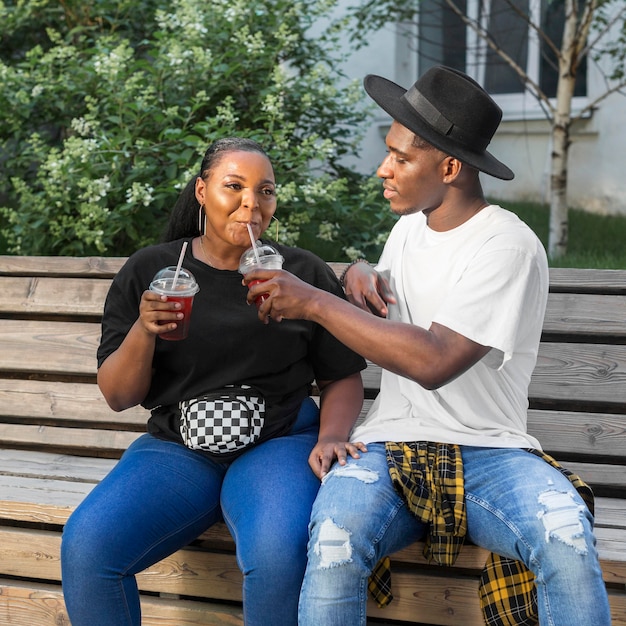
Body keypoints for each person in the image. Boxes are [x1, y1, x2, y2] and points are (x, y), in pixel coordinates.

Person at [242, 67, 611, 625]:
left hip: (490, 452)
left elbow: (433, 361)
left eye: (400, 159)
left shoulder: (507, 246)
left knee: (566, 537)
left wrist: (316, 301)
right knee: (334, 543)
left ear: (450, 167)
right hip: (389, 447)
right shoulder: (411, 226)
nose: (382, 170)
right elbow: (392, 301)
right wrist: (360, 272)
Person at [60, 137, 367, 626]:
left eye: (265, 191)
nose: (252, 203)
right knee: (88, 546)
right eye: (234, 186)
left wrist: (331, 436)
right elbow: (118, 396)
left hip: (277, 444)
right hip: (179, 452)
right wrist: (144, 327)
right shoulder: (152, 270)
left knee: (277, 552)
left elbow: (341, 376)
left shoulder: (298, 273)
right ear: (202, 191)